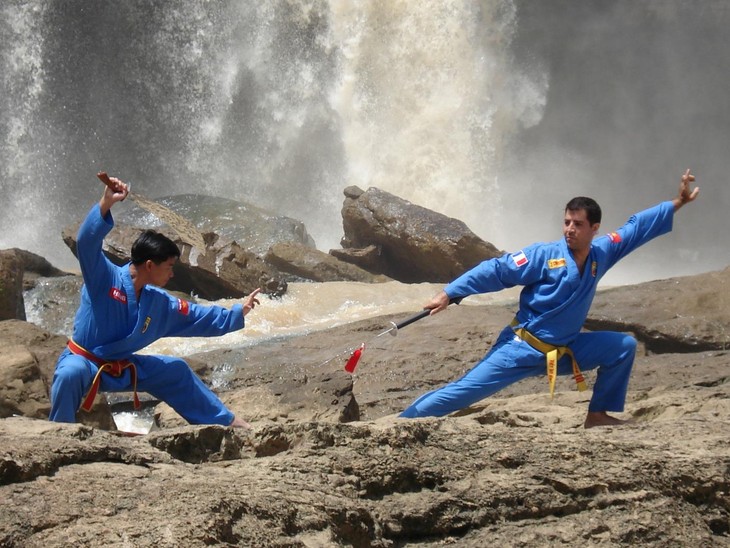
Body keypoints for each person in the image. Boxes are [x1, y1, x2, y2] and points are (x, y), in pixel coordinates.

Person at [400, 169, 700, 428]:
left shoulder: (603, 252)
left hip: (566, 349)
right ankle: (403, 421)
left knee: (623, 346)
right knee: (463, 392)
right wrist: (451, 292)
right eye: (567, 222)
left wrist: (679, 203)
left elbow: (636, 228)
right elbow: (496, 270)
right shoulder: (543, 255)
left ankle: (597, 416)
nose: (569, 229)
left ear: (594, 229)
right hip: (521, 348)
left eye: (578, 224)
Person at [49, 175, 260, 429]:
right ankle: (58, 434)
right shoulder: (104, 277)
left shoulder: (159, 304)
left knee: (175, 370)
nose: (172, 274)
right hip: (84, 362)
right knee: (68, 374)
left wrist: (239, 311)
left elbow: (196, 316)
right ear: (150, 265)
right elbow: (86, 243)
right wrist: (106, 203)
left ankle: (227, 421)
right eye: (170, 267)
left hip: (122, 368)